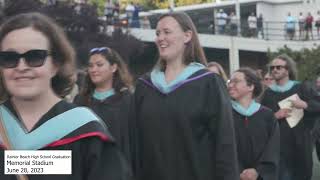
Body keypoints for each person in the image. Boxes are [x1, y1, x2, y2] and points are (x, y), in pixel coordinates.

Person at [0, 12, 132, 180]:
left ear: (56, 64)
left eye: (35, 57)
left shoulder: (85, 131)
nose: (21, 67)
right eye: (9, 58)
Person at [132, 12, 238, 180]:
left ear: (187, 36)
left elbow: (224, 144)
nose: (160, 38)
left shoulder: (208, 83)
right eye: (158, 33)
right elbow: (135, 144)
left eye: (167, 32)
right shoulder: (145, 86)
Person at [261, 54, 320, 180]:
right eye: (272, 68)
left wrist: (304, 104)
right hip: (279, 149)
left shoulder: (301, 88)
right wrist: (275, 115)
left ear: (287, 70)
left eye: (279, 67)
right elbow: (261, 120)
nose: (274, 70)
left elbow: (318, 105)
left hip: (300, 145)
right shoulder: (268, 93)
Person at [73, 46, 133, 163]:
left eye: (99, 65)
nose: (93, 69)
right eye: (90, 66)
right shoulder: (80, 101)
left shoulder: (126, 100)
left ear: (113, 67)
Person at [228, 68, 279, 180]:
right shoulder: (224, 114)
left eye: (235, 81)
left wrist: (258, 171)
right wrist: (239, 171)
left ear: (251, 86)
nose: (230, 85)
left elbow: (272, 148)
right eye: (230, 81)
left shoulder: (267, 115)